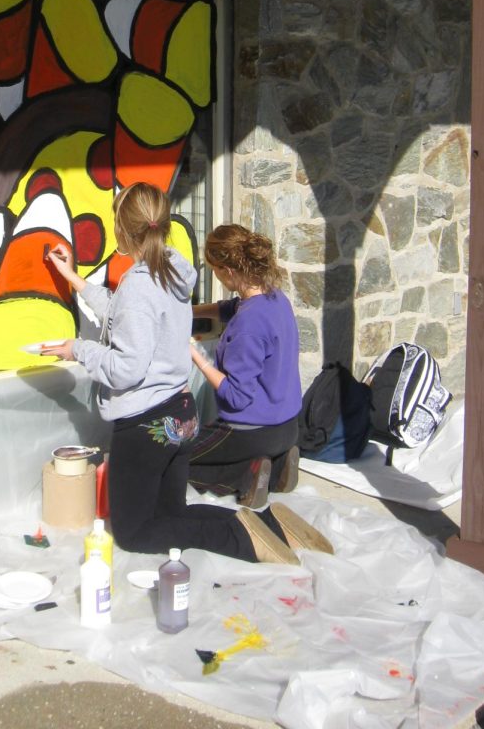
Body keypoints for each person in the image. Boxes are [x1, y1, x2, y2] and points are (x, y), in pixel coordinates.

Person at [41, 182, 299, 565]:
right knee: (169, 517)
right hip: (180, 413)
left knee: (134, 533)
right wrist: (74, 278)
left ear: (124, 231)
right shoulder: (172, 270)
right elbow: (124, 314)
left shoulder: (140, 286)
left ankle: (243, 540)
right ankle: (271, 526)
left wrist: (77, 348)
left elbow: (127, 367)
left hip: (146, 425)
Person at [188, 224, 302, 511]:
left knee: (177, 458)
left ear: (227, 270)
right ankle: (275, 467)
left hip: (252, 430)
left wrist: (195, 356)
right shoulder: (275, 298)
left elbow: (237, 396)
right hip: (287, 427)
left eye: (213, 268)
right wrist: (192, 310)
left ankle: (247, 477)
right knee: (218, 451)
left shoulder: (248, 325)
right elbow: (232, 308)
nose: (214, 273)